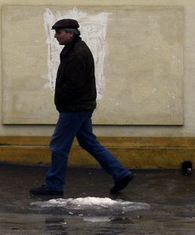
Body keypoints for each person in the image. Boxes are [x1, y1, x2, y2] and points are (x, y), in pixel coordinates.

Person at [30, 18, 134, 198]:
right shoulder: (74, 50)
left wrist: (61, 96)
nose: (56, 36)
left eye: (59, 32)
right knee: (88, 142)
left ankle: (54, 184)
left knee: (59, 146)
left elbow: (74, 84)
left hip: (74, 107)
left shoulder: (77, 53)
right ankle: (120, 173)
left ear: (71, 33)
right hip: (81, 106)